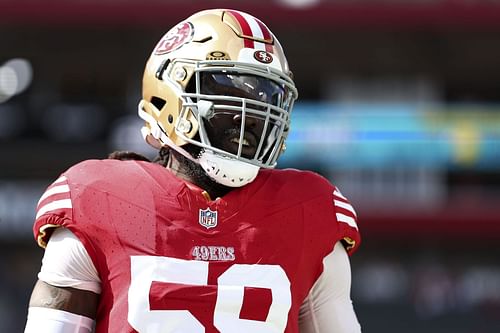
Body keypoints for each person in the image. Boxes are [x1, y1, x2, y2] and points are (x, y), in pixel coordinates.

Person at [24, 8, 362, 333]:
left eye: (267, 99)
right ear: (168, 96)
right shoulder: (99, 197)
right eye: (229, 93)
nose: (253, 118)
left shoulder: (308, 209)